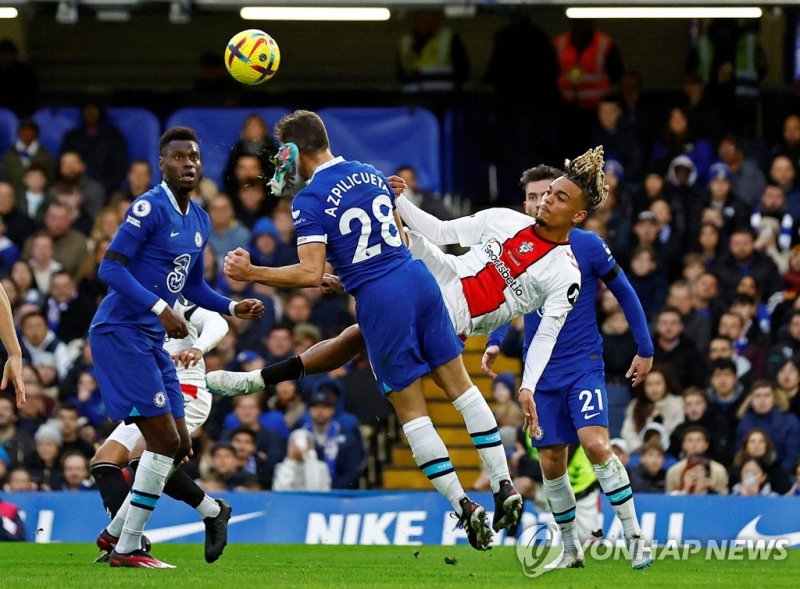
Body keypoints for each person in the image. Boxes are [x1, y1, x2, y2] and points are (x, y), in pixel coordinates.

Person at [216, 110, 527, 551]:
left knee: (412, 411)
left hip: (382, 300)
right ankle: (504, 485)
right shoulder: (370, 172)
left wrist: (253, 271)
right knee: (462, 390)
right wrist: (350, 275)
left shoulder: (308, 200)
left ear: (296, 151)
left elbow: (307, 272)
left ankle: (464, 507)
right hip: (416, 279)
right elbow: (392, 240)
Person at [88, 126, 264, 568]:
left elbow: (195, 286)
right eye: (179, 157)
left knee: (178, 441)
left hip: (151, 341)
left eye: (195, 158)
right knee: (160, 443)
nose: (188, 164)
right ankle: (126, 546)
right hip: (121, 332)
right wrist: (160, 307)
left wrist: (231, 306)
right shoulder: (148, 207)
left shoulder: (201, 220)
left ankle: (122, 536)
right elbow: (109, 268)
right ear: (163, 163)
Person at [482, 165, 653, 569]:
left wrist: (644, 348)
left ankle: (634, 537)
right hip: (539, 376)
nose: (540, 202)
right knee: (551, 461)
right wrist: (492, 341)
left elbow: (625, 293)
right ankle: (571, 550)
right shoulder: (518, 247)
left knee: (596, 445)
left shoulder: (588, 246)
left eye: (550, 195)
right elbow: (508, 299)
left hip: (582, 365)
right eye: (534, 196)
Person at [90, 297, 233, 564]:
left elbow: (216, 321)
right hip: (148, 391)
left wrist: (199, 348)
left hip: (185, 388)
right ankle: (211, 511)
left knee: (142, 456)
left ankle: (126, 540)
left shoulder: (171, 294)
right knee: (104, 462)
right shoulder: (126, 304)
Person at [60, 102, 128, 193]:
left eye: (93, 110)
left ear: (100, 112)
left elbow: (119, 168)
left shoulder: (113, 137)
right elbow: (63, 165)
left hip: (106, 189)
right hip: (73, 187)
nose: (90, 114)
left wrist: (103, 188)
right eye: (87, 110)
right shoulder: (72, 137)